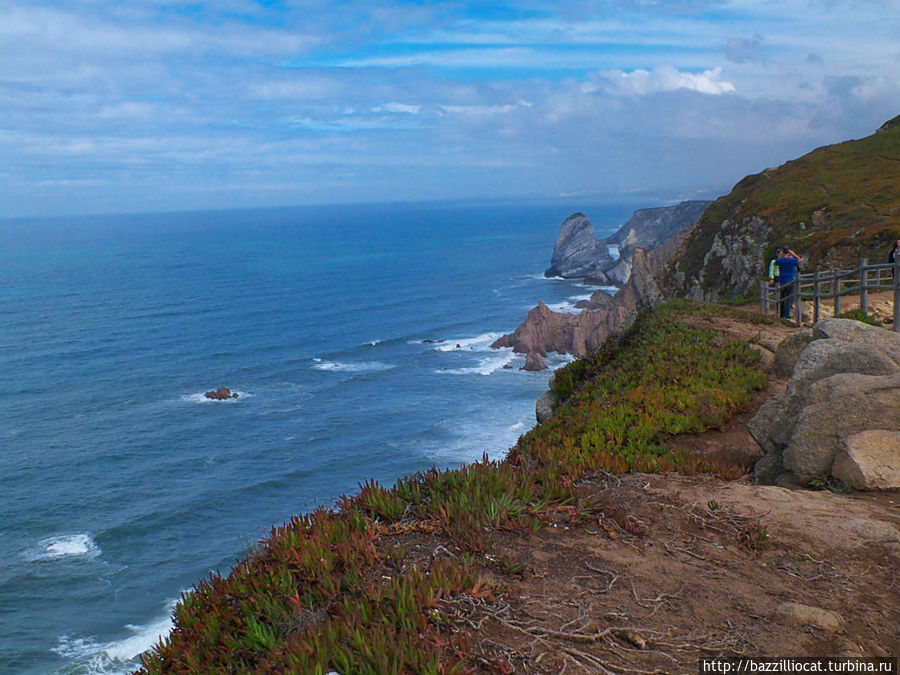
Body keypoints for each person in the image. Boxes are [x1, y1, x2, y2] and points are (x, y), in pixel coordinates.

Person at [773, 246, 801, 319]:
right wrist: (793, 253)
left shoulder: (780, 261)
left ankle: (781, 314)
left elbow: (775, 262)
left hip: (782, 280)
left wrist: (780, 255)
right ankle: (787, 314)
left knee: (782, 297)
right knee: (789, 297)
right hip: (790, 280)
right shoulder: (791, 260)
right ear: (788, 252)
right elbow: (800, 260)